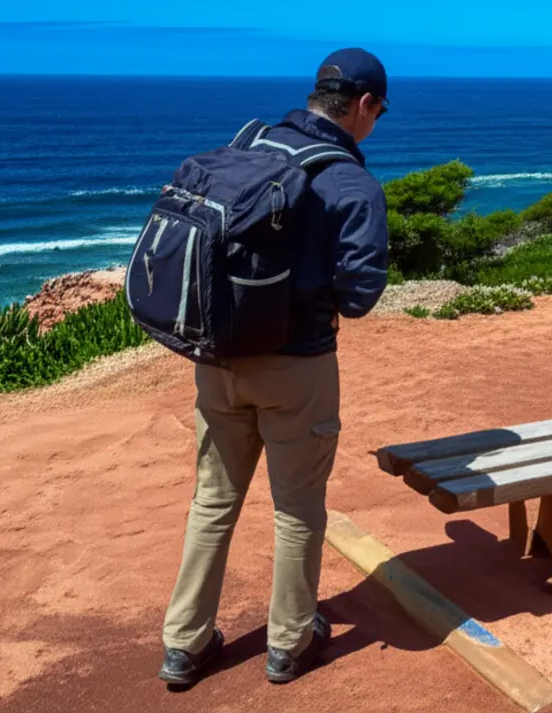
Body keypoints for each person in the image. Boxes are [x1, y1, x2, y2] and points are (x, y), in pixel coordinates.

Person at [157, 48, 390, 686]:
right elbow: (362, 297)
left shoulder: (246, 144)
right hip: (298, 369)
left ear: (317, 93)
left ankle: (184, 644)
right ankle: (288, 643)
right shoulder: (350, 182)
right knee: (296, 507)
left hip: (218, 358)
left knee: (212, 500)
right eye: (379, 112)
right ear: (365, 106)